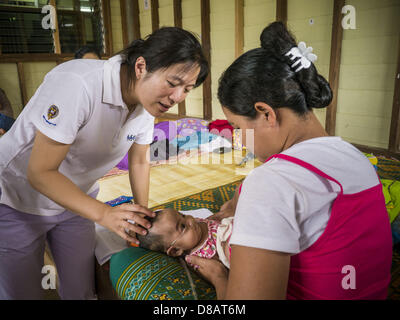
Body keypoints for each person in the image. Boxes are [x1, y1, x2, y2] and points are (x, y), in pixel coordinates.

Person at [187, 22, 392, 300]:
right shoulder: (359, 160)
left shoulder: (272, 181)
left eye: (237, 128)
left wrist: (220, 278)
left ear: (266, 114)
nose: (239, 140)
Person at [0, 27, 208, 299]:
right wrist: (104, 214)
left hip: (76, 198)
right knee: (23, 293)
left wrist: (142, 216)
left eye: (187, 89)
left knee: (81, 290)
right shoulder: (78, 84)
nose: (178, 97)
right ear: (141, 66)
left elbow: (140, 161)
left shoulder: (147, 103)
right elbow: (40, 173)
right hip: (18, 199)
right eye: (173, 83)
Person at [136, 208, 234, 269]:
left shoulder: (195, 226)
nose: (190, 219)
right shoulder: (201, 257)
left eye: (183, 215)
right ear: (176, 250)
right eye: (183, 226)